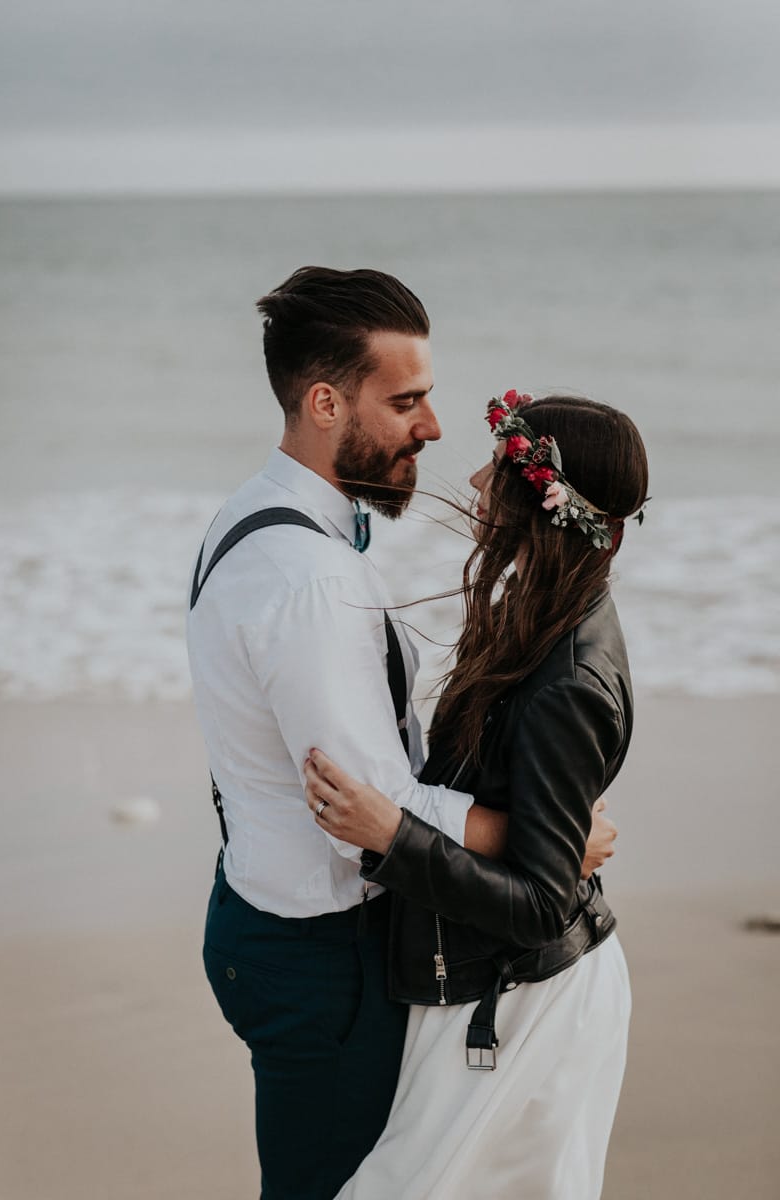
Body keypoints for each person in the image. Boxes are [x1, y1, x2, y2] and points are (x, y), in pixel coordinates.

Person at [186, 270, 616, 1200]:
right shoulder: (312, 581)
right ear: (326, 401)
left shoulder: (248, 516)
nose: (432, 426)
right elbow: (377, 806)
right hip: (322, 954)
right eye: (408, 400)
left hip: (263, 909)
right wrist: (545, 842)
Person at [303, 389, 649, 1199]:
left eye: (496, 470)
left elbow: (539, 902)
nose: (470, 481)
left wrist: (394, 836)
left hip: (526, 1007)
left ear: (544, 504)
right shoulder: (543, 612)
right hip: (489, 987)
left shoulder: (569, 680)